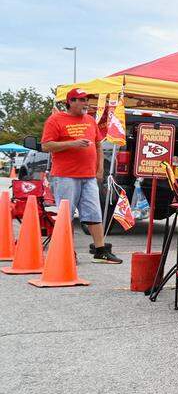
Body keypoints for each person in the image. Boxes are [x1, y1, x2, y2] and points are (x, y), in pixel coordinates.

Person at [40, 88, 121, 264]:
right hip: (65, 176)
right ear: (71, 101)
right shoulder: (56, 120)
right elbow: (46, 146)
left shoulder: (90, 120)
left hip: (89, 175)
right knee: (66, 215)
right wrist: (73, 143)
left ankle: (100, 251)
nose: (86, 103)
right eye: (82, 100)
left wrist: (99, 169)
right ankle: (66, 252)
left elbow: (98, 145)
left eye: (86, 99)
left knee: (94, 213)